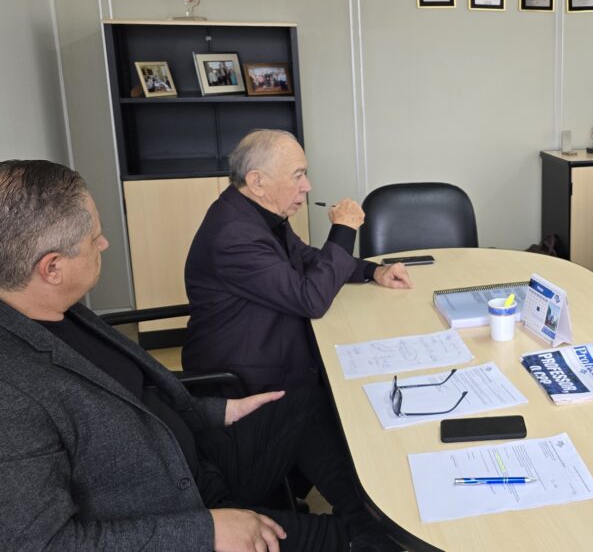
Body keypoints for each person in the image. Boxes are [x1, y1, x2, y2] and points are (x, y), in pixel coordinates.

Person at [0, 159, 384, 551]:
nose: (104, 244)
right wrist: (207, 532)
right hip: (180, 512)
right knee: (361, 544)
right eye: (94, 237)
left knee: (311, 402)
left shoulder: (59, 311)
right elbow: (45, 545)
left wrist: (216, 411)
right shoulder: (12, 393)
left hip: (194, 453)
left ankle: (373, 519)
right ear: (52, 268)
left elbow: (136, 399)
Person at [183, 129, 412, 393]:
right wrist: (344, 230)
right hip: (248, 383)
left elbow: (303, 257)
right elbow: (311, 300)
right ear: (257, 182)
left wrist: (372, 271)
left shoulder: (252, 211)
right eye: (298, 175)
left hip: (271, 349)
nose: (307, 186)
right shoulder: (234, 236)